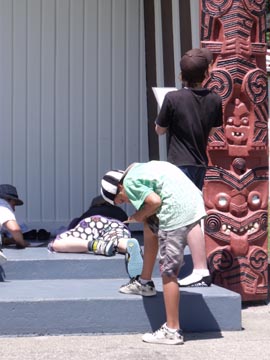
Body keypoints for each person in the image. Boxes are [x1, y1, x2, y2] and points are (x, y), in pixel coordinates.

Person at [101, 161, 207, 345]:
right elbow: (154, 201)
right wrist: (143, 215)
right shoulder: (139, 171)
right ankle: (145, 282)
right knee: (149, 224)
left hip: (176, 210)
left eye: (121, 199)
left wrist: (139, 215)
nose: (125, 202)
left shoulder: (129, 183)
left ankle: (172, 330)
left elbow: (154, 201)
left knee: (168, 271)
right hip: (192, 200)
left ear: (120, 186)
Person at [155, 48, 223, 287]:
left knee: (183, 214)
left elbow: (160, 129)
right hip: (199, 163)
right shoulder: (215, 99)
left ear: (181, 74)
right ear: (206, 73)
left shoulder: (172, 98)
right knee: (192, 211)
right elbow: (214, 131)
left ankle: (195, 267)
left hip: (178, 164)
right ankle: (195, 264)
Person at [48, 193, 143, 280]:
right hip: (115, 224)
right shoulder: (120, 212)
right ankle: (127, 245)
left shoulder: (90, 212)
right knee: (118, 238)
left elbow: (72, 226)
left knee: (58, 243)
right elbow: (125, 224)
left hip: (93, 222)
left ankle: (94, 245)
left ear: (93, 205)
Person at [0, 184, 29, 250]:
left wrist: (9, 240)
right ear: (8, 199)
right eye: (14, 204)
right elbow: (15, 229)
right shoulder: (3, 205)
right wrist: (21, 243)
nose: (14, 209)